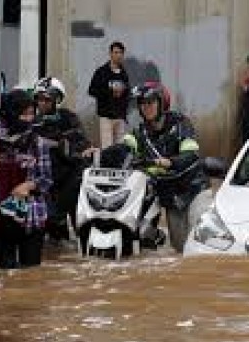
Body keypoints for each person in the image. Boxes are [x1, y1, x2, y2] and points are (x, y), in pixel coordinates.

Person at [124, 83, 213, 253]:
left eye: (151, 102)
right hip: (170, 197)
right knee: (180, 249)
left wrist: (170, 162)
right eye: (142, 104)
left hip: (195, 190)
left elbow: (191, 153)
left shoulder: (180, 123)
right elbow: (124, 147)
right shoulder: (139, 132)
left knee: (200, 242)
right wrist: (98, 153)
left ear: (162, 103)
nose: (146, 107)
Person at [0, 89, 53, 269]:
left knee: (30, 277)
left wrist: (28, 185)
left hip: (32, 218)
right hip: (0, 217)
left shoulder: (38, 142)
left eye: (31, 114)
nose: (28, 119)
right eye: (23, 114)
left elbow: (46, 180)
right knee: (4, 274)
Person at [33, 77, 95, 244]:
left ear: (57, 100)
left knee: (82, 235)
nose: (42, 103)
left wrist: (63, 143)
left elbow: (82, 143)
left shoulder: (68, 118)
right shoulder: (34, 123)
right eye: (39, 99)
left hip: (70, 181)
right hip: (48, 183)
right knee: (55, 242)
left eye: (46, 99)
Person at [88, 41, 130, 149]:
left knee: (120, 148)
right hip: (106, 116)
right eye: (115, 52)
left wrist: (123, 94)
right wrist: (110, 92)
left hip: (120, 117)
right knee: (107, 148)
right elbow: (92, 90)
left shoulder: (124, 74)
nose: (118, 55)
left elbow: (127, 93)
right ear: (110, 54)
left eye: (120, 53)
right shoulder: (101, 72)